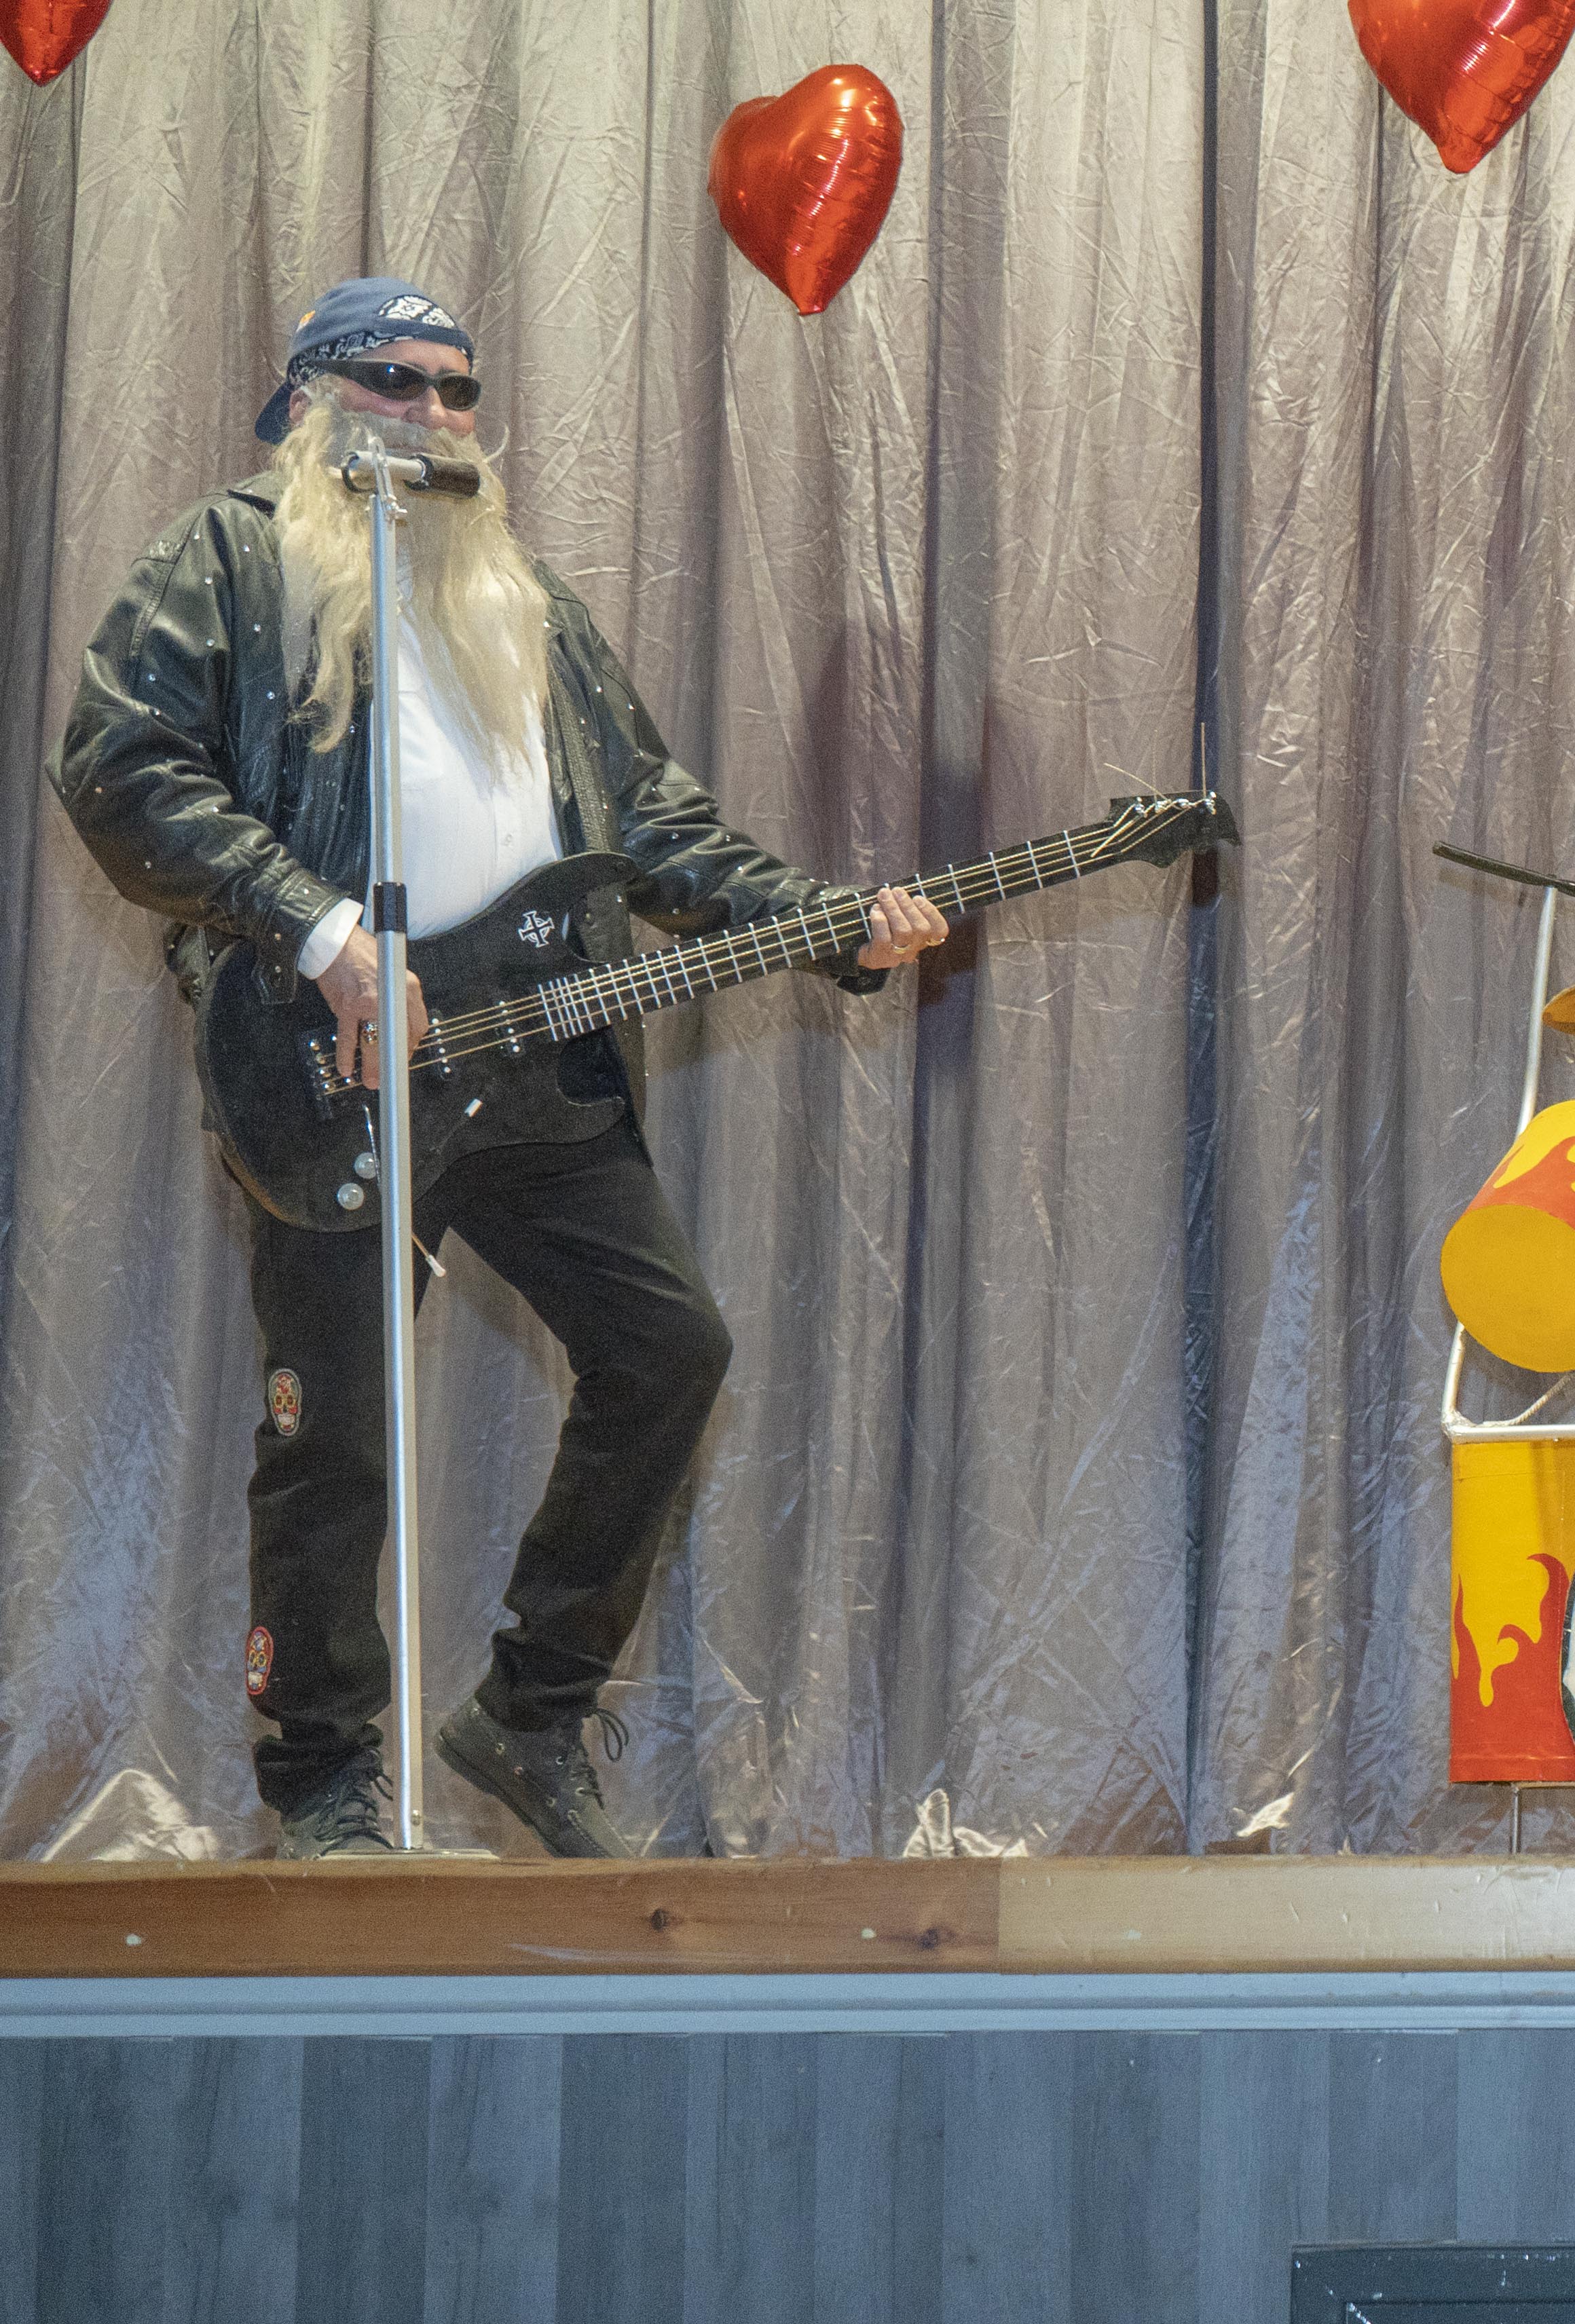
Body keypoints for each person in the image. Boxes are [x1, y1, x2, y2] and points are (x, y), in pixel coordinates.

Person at [51, 278, 949, 1860]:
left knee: (667, 1349)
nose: (437, 414)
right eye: (397, 383)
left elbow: (650, 821)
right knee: (333, 1432)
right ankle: (324, 1778)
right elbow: (121, 765)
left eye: (459, 388)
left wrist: (824, 923)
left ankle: (532, 1712)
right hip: (334, 1057)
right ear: (315, 399)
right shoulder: (228, 562)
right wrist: (320, 927)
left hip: (536, 1053)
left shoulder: (521, 601)